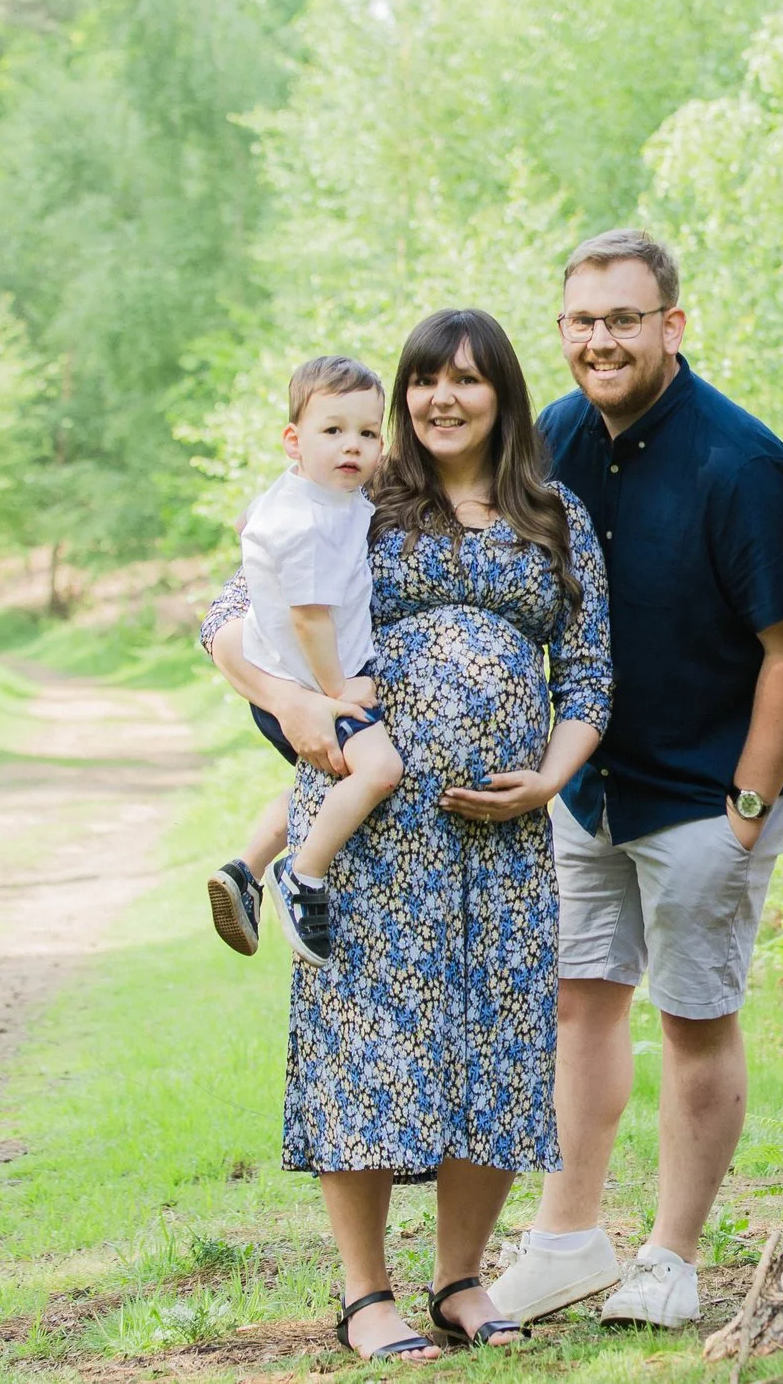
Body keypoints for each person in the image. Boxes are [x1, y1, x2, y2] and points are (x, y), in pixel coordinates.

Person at [199, 308, 610, 1362]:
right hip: (378, 839)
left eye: (467, 381)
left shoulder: (555, 515)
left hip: (503, 838)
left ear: (502, 395)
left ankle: (462, 1278)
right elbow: (231, 610)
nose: (442, 398)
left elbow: (592, 674)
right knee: (368, 1044)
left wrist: (549, 781)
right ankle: (365, 1291)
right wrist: (289, 707)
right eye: (424, 381)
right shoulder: (361, 502)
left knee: (496, 1043)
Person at [489, 229, 783, 1331]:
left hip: (709, 792)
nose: (599, 339)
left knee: (691, 1015)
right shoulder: (553, 439)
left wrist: (750, 807)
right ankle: (566, 1239)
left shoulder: (743, 461)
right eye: (582, 320)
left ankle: (671, 1254)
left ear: (672, 325)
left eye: (623, 318)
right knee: (582, 1001)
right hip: (590, 785)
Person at [205, 356, 405, 967]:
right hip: (308, 688)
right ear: (294, 441)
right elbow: (309, 618)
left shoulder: (308, 494)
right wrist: (335, 692)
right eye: (333, 432)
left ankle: (246, 869)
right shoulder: (310, 523)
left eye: (368, 435)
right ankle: (304, 876)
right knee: (378, 772)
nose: (354, 447)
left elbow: (247, 522)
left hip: (303, 682)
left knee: (319, 784)